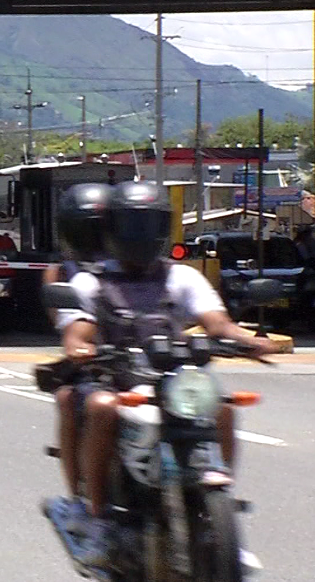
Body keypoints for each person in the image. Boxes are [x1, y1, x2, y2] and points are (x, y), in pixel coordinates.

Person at [55, 181, 276, 568]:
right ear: (111, 228)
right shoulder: (91, 282)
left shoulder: (183, 277)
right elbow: (78, 330)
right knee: (102, 408)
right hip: (116, 378)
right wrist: (80, 347)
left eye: (148, 225)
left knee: (222, 407)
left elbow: (218, 323)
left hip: (173, 380)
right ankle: (97, 519)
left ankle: (219, 521)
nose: (139, 236)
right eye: (130, 225)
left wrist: (248, 340)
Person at [39, 183, 111, 530]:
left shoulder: (141, 267)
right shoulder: (65, 273)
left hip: (147, 362)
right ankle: (79, 505)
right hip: (98, 362)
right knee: (68, 398)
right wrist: (83, 345)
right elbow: (67, 324)